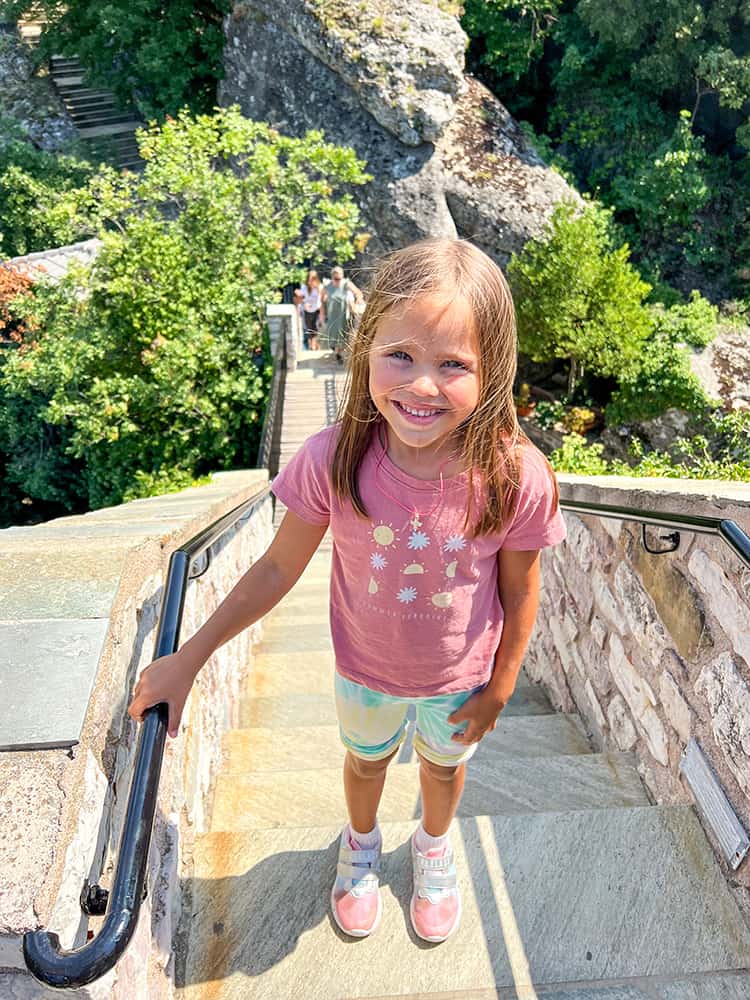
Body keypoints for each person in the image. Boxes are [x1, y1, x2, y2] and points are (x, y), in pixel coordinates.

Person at [128, 238, 566, 945]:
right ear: (364, 349)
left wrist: (501, 687)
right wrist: (189, 657)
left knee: (442, 773)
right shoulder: (332, 459)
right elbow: (276, 569)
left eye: (453, 364)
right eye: (401, 355)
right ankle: (360, 846)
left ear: (493, 373)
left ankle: (431, 846)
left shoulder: (516, 476)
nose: (422, 386)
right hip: (364, 671)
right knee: (364, 763)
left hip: (461, 680)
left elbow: (522, 590)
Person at [321, 265, 363, 363]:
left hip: (343, 315)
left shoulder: (346, 284)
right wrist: (322, 314)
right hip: (332, 315)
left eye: (340, 278)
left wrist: (356, 303)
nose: (338, 280)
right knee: (332, 334)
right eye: (336, 278)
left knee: (342, 334)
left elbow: (359, 293)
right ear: (332, 277)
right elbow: (322, 300)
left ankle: (338, 354)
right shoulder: (327, 286)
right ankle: (335, 350)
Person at [299, 269, 325, 350]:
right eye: (309, 280)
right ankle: (312, 345)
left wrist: (322, 315)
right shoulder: (304, 287)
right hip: (307, 311)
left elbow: (322, 301)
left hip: (316, 310)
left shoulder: (320, 287)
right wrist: (304, 304)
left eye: (312, 280)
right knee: (309, 328)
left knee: (316, 327)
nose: (310, 282)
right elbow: (301, 299)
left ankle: (313, 345)